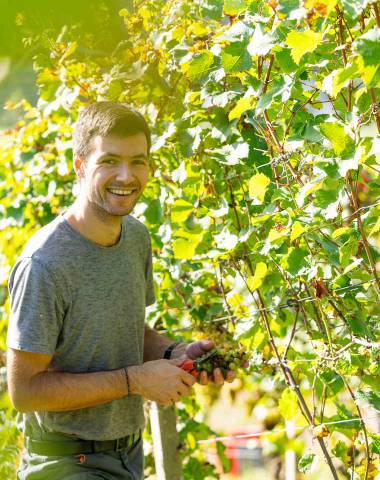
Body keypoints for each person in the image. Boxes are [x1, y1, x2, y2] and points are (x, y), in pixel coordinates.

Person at [6, 101, 236, 480]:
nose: (126, 176)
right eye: (109, 160)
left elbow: (128, 331)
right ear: (80, 165)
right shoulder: (45, 263)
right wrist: (136, 380)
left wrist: (175, 352)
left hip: (128, 454)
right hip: (66, 463)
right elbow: (25, 391)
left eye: (138, 161)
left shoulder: (135, 238)